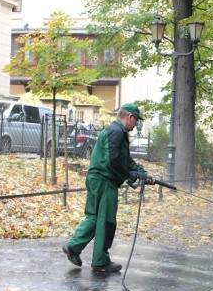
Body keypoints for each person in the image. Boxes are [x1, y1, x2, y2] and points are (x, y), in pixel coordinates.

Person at [62, 103, 149, 273]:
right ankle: (100, 261)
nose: (136, 124)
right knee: (107, 221)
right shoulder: (117, 132)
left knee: (94, 217)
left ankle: (73, 246)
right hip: (104, 181)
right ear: (129, 117)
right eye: (136, 120)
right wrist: (127, 174)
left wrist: (141, 173)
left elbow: (125, 160)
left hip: (97, 178)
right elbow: (114, 161)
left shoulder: (116, 132)